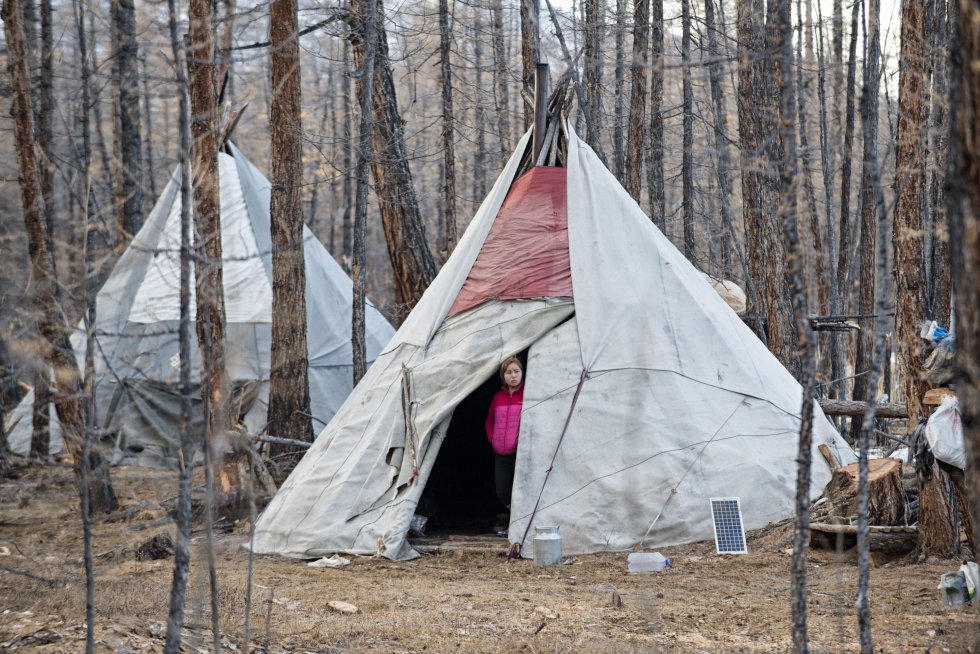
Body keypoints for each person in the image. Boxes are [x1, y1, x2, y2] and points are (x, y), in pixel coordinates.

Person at [485, 356, 524, 513]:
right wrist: (492, 438)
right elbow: (489, 420)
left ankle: (518, 522)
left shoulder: (527, 395)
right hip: (500, 452)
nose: (513, 375)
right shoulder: (498, 397)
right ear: (503, 376)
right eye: (509, 372)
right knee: (503, 491)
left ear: (522, 373)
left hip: (519, 453)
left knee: (521, 490)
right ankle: (511, 515)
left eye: (516, 371)